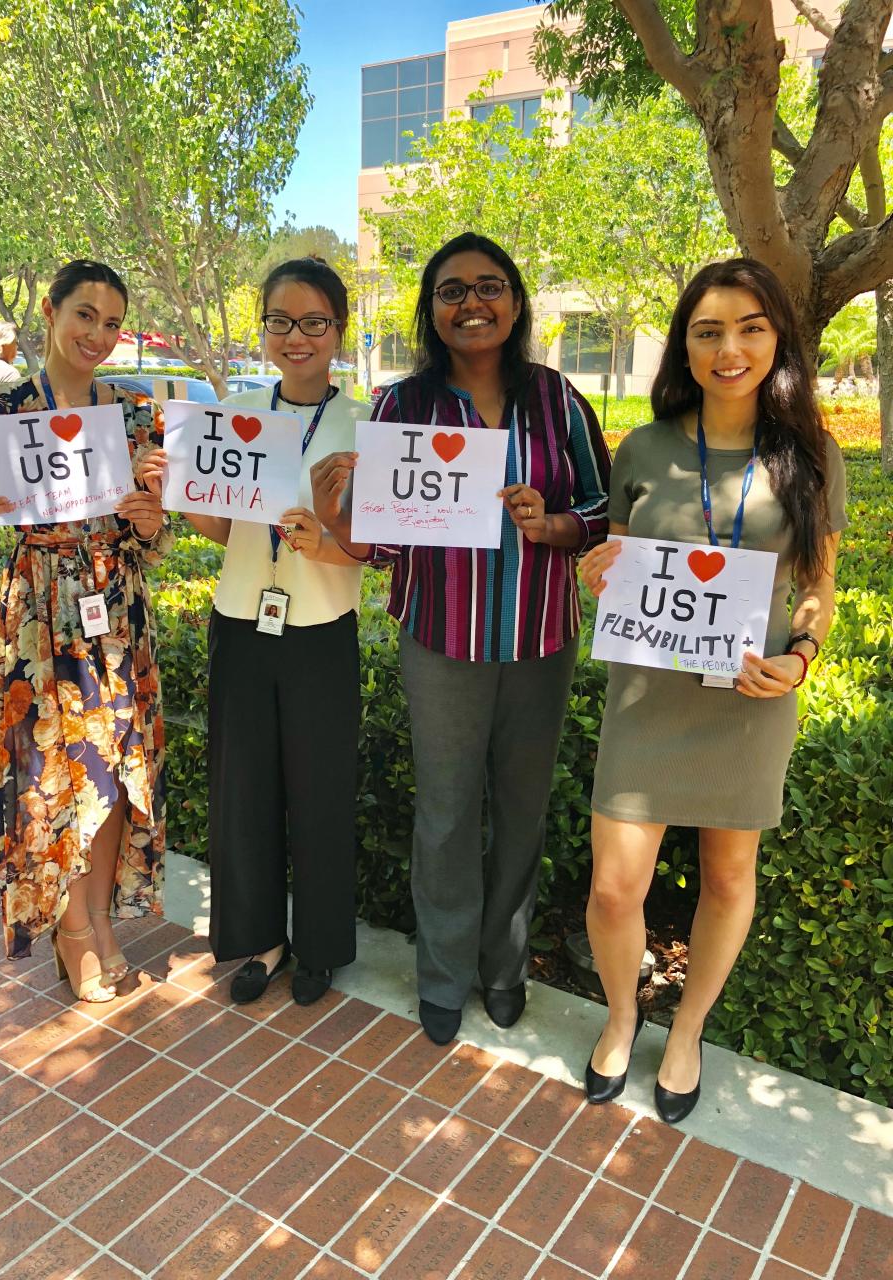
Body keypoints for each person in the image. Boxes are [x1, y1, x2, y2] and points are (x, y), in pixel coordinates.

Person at [311, 232, 611, 1044]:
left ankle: (502, 968)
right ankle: (443, 976)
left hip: (539, 641)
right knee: (445, 815)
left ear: (515, 302)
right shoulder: (401, 408)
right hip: (440, 640)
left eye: (489, 287)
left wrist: (553, 525)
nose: (471, 303)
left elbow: (602, 511)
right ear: (431, 310)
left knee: (521, 810)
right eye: (451, 291)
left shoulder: (560, 401)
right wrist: (338, 508)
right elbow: (381, 542)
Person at [578, 258, 847, 1123]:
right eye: (708, 330)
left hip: (749, 699)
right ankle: (623, 1016)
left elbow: (819, 586)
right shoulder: (647, 447)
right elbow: (621, 559)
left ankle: (688, 1030)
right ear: (684, 346)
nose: (729, 348)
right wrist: (598, 575)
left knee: (730, 880)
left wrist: (801, 655)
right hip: (649, 700)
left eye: (750, 327)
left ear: (778, 340)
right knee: (617, 888)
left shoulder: (813, 456)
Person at [0, 259, 171, 1003]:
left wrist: (150, 519)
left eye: (111, 322)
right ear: (49, 309)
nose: (97, 334)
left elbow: (153, 541)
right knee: (52, 780)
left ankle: (101, 920)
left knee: (115, 777)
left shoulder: (135, 411)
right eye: (85, 315)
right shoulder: (2, 409)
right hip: (38, 615)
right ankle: (73, 933)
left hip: (117, 614)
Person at [143, 256, 370, 1006]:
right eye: (280, 321)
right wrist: (176, 490)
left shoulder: (366, 422)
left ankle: (322, 945)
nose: (295, 336)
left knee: (322, 791)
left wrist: (325, 541)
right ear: (264, 328)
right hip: (241, 618)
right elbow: (219, 527)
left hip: (321, 628)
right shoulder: (236, 409)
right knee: (244, 788)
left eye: (313, 321)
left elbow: (382, 548)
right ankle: (262, 939)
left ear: (339, 328)